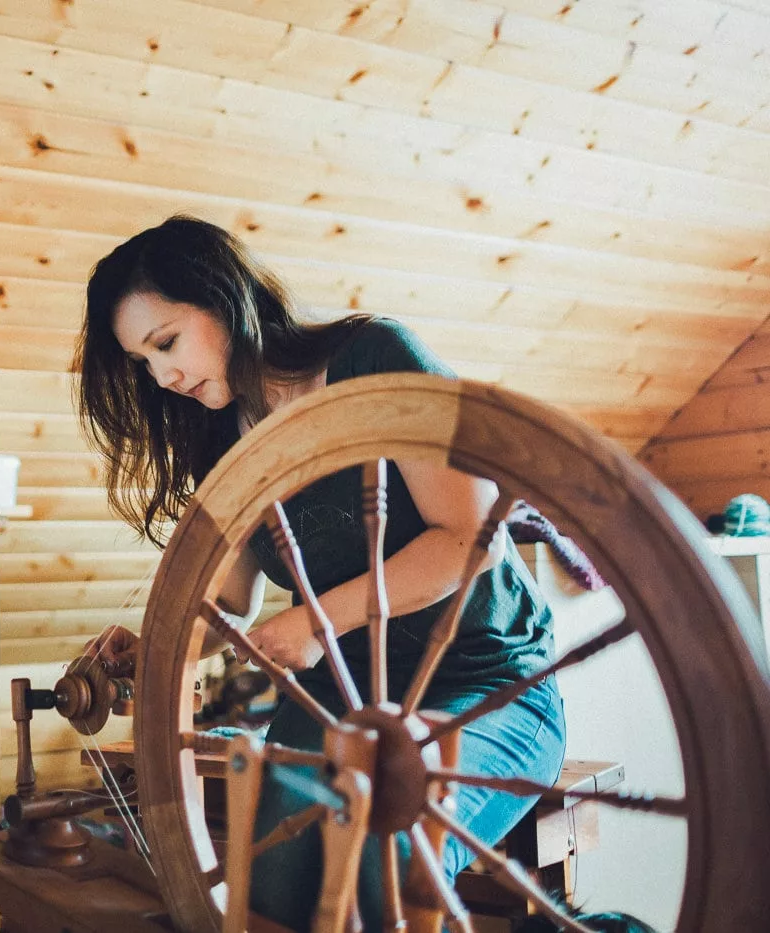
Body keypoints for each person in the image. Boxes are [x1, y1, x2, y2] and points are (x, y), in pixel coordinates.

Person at [74, 215, 567, 931]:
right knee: (270, 891)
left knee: (382, 859)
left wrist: (317, 619)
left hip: (485, 685)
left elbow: (470, 538)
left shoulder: (374, 357)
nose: (163, 376)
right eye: (144, 363)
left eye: (166, 342)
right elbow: (230, 603)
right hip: (336, 699)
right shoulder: (221, 441)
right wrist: (152, 649)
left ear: (223, 299)